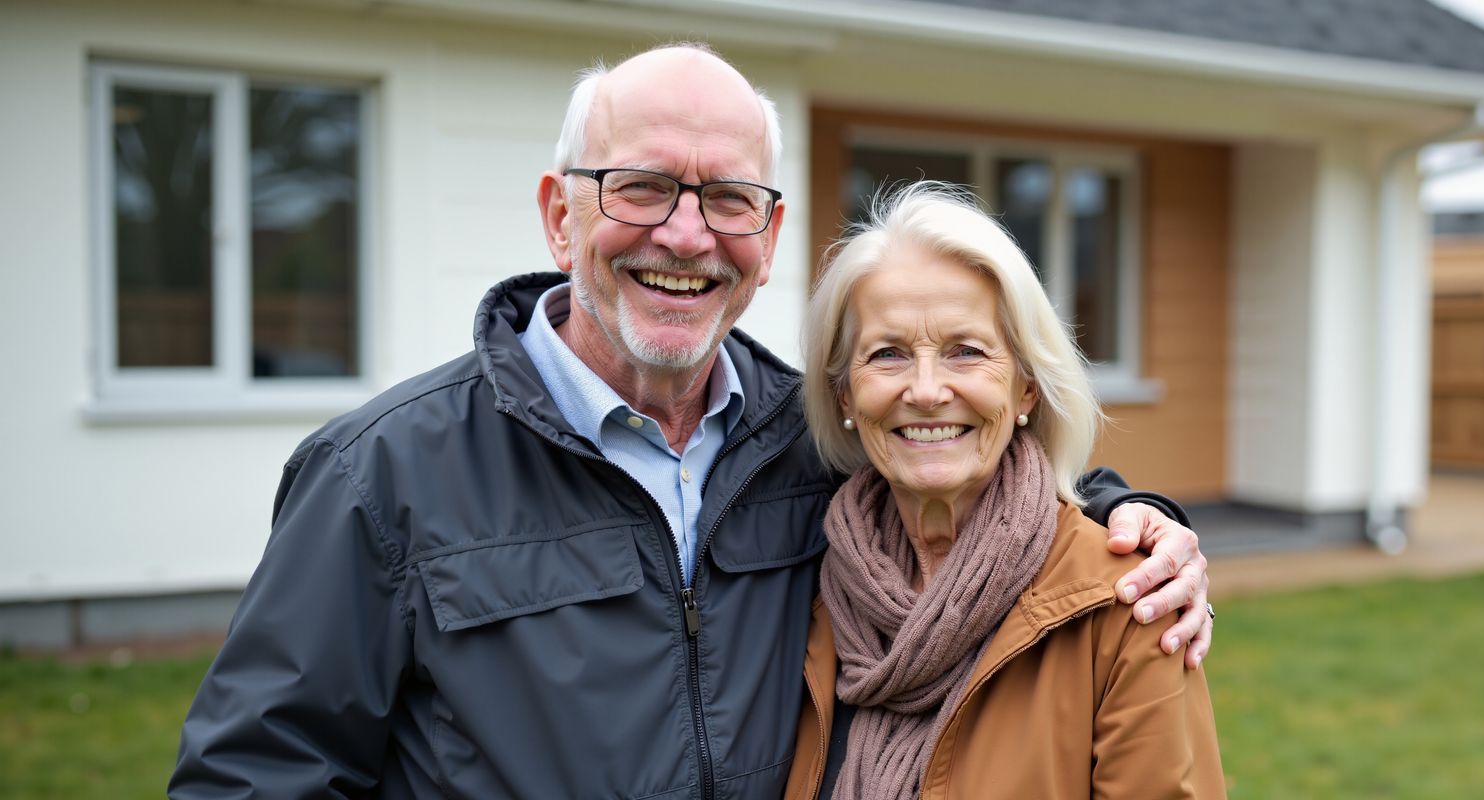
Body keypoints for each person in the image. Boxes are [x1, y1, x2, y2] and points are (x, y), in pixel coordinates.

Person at [169, 43, 1215, 799]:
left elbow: (978, 486)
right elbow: (254, 775)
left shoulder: (811, 451)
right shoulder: (382, 473)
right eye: (643, 186)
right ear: (559, 211)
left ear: (767, 233)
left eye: (725, 198)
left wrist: (1137, 515)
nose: (685, 233)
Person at [782, 184, 1225, 800]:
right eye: (887, 355)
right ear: (845, 398)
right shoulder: (801, 584)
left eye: (966, 352)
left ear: (1026, 388)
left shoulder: (1128, 605)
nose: (928, 390)